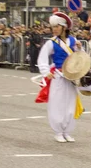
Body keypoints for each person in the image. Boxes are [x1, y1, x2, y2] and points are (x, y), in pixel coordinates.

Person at [36, 12, 85, 143]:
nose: (54, 29)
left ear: (64, 27)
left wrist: (81, 49)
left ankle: (67, 131)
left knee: (70, 103)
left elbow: (81, 58)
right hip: (58, 76)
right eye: (53, 27)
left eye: (57, 26)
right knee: (57, 104)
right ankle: (58, 131)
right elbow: (42, 58)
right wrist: (46, 72)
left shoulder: (74, 41)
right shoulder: (51, 43)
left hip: (72, 77)